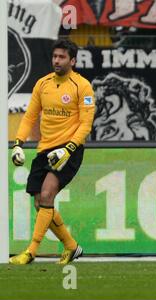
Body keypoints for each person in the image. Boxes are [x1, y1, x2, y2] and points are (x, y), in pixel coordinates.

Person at [9, 39, 95, 265]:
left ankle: (31, 252)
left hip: (70, 149)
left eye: (62, 57)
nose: (57, 60)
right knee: (40, 203)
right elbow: (29, 116)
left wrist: (68, 149)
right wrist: (18, 143)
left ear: (73, 60)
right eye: (55, 56)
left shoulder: (82, 86)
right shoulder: (42, 84)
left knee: (47, 195)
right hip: (44, 148)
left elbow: (86, 124)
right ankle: (72, 247)